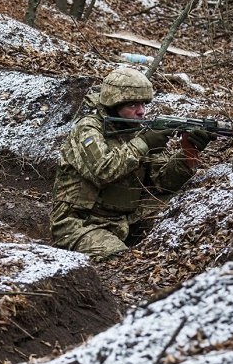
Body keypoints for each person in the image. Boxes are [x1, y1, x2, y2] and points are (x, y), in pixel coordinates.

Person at [50, 66, 215, 260]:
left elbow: (162, 181)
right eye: (133, 105)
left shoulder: (135, 131)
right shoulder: (87, 129)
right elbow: (102, 171)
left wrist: (189, 151)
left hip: (123, 220)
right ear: (113, 105)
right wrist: (144, 143)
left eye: (143, 104)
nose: (141, 112)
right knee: (118, 258)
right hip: (79, 223)